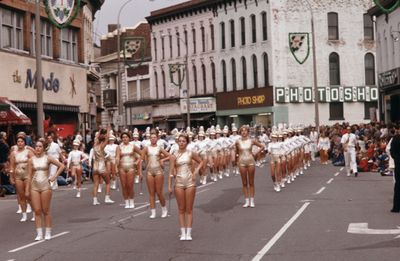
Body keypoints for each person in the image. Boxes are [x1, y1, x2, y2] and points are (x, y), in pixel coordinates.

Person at [28, 138, 65, 240]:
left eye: (40, 146)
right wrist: (27, 189)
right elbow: (29, 175)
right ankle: (39, 233)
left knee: (46, 210)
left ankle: (48, 232)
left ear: (44, 148)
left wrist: (54, 176)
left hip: (45, 186)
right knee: (37, 211)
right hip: (34, 187)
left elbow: (62, 166)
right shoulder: (31, 160)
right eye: (36, 146)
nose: (38, 148)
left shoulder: (48, 158)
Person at [168, 134, 203, 241]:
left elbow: (201, 161)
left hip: (190, 183)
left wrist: (195, 172)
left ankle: (189, 232)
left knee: (189, 209)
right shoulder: (173, 155)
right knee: (181, 209)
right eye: (180, 141)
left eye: (184, 141)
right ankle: (183, 232)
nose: (182, 143)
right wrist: (169, 186)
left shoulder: (190, 153)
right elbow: (170, 171)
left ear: (187, 142)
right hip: (178, 183)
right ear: (177, 142)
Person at [235, 125, 265, 208]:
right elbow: (236, 152)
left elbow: (262, 146)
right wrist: (236, 161)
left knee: (251, 182)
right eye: (242, 131)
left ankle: (252, 200)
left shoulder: (252, 140)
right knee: (244, 183)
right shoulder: (237, 142)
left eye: (245, 131)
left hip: (251, 161)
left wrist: (255, 153)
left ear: (248, 132)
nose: (244, 132)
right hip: (241, 162)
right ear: (240, 132)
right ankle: (246, 201)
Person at [142, 130, 170, 218]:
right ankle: (153, 212)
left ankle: (164, 208)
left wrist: (162, 160)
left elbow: (170, 156)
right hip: (149, 171)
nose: (153, 139)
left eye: (154, 137)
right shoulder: (146, 148)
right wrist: (139, 171)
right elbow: (141, 159)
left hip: (158, 171)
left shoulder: (159, 148)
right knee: (151, 193)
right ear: (149, 139)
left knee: (159, 192)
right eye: (151, 138)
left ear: (157, 138)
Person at [9, 132, 34, 221]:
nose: (20, 143)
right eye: (18, 141)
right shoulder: (13, 153)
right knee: (21, 195)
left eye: (21, 141)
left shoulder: (28, 151)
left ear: (24, 143)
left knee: (28, 195)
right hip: (18, 175)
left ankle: (34, 213)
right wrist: (11, 177)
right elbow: (11, 166)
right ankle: (24, 215)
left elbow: (34, 162)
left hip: (27, 174)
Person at [116, 132, 142, 209]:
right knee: (124, 186)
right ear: (121, 138)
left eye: (126, 137)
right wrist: (116, 162)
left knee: (130, 185)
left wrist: (137, 161)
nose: (125, 138)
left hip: (131, 167)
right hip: (122, 168)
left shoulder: (133, 146)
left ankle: (132, 200)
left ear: (129, 138)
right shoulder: (119, 147)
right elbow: (117, 156)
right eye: (123, 137)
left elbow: (142, 153)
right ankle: (126, 201)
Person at [92, 127, 114, 205]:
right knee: (108, 182)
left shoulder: (94, 145)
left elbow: (97, 137)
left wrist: (100, 130)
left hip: (95, 167)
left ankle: (95, 200)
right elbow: (107, 137)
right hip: (101, 166)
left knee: (96, 184)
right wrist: (108, 129)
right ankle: (107, 198)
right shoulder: (102, 146)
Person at [389, 126, 400, 213]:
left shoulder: (395, 138)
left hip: (399, 164)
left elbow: (392, 152)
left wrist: (396, 159)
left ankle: (396, 207)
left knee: (398, 186)